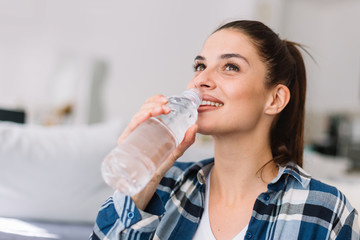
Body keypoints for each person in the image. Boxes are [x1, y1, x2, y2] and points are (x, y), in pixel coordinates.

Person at [90, 20, 359, 240]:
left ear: (275, 99)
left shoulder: (323, 209)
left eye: (230, 67)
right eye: (200, 66)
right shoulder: (163, 187)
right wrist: (146, 178)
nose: (201, 80)